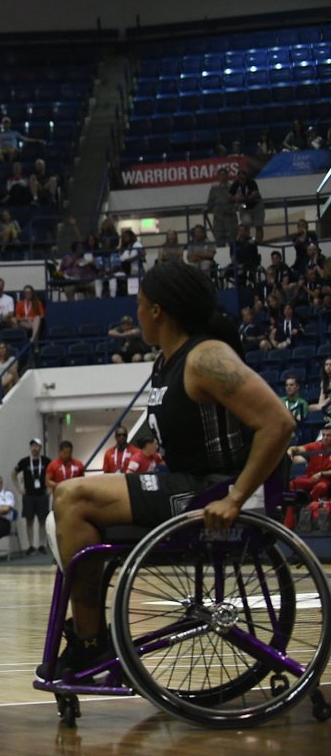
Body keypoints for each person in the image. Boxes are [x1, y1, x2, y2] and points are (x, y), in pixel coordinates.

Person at [45, 260, 294, 679]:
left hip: (214, 489)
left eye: (140, 305)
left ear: (157, 310)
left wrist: (235, 498)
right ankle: (92, 640)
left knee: (73, 496)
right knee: (70, 501)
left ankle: (90, 644)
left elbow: (279, 423)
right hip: (186, 483)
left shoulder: (206, 357)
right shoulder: (169, 361)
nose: (137, 313)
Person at [12, 438, 49, 555]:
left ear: (40, 448)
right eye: (33, 446)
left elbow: (53, 474)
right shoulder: (24, 461)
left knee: (43, 521)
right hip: (29, 496)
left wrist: (51, 489)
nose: (35, 448)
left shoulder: (46, 461)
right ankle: (31, 545)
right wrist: (19, 488)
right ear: (30, 448)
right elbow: (13, 473)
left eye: (37, 446)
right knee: (29, 521)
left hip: (42, 495)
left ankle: (42, 544)